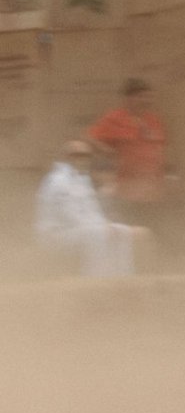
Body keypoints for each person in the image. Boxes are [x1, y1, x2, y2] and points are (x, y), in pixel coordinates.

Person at [34, 139, 148, 276]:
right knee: (97, 234)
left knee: (119, 231)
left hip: (80, 228)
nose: (83, 159)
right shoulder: (57, 180)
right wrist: (99, 227)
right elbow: (68, 214)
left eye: (86, 155)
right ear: (67, 157)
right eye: (78, 155)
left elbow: (93, 210)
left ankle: (121, 275)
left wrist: (105, 224)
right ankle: (95, 277)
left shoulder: (82, 179)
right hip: (58, 233)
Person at [88, 78, 175, 244]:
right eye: (142, 97)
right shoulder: (115, 118)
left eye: (149, 97)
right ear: (129, 98)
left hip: (154, 189)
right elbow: (90, 137)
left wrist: (170, 175)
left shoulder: (154, 120)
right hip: (128, 190)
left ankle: (157, 266)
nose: (147, 101)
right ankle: (134, 266)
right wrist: (107, 151)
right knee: (133, 233)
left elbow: (163, 148)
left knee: (156, 231)